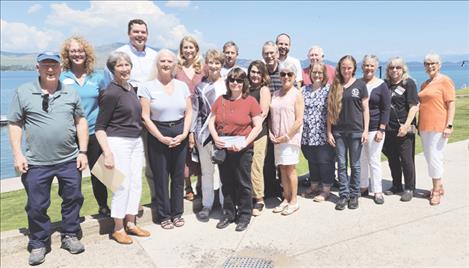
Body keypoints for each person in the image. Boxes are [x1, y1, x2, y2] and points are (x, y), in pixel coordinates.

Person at [8, 51, 87, 265]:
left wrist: (83, 152)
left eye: (54, 65)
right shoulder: (23, 92)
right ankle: (38, 243)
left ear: (61, 68)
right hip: (36, 162)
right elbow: (15, 123)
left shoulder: (70, 93)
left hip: (69, 159)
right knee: (36, 205)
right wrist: (17, 154)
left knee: (73, 199)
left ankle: (70, 235)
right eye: (45, 65)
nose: (50, 69)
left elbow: (80, 121)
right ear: (38, 68)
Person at [95, 51, 150, 244]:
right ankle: (118, 228)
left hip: (135, 141)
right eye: (119, 66)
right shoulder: (110, 93)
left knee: (136, 183)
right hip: (118, 142)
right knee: (122, 185)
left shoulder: (130, 89)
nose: (124, 69)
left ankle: (131, 223)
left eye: (127, 65)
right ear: (112, 70)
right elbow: (100, 127)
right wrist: (107, 153)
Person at [104, 18, 158, 210]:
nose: (139, 35)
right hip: (125, 118)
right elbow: (108, 88)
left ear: (147, 34)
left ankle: (153, 199)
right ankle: (119, 207)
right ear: (129, 34)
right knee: (118, 169)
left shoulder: (155, 55)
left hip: (151, 115)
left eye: (143, 32)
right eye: (136, 32)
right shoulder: (120, 55)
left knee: (151, 163)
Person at [139, 49, 192, 229]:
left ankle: (177, 213)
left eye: (169, 61)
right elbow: (145, 116)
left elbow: (189, 111)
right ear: (157, 64)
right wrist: (161, 137)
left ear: (174, 65)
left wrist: (184, 134)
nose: (166, 64)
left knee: (178, 177)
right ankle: (164, 215)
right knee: (161, 177)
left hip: (179, 132)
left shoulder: (182, 86)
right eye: (162, 61)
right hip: (157, 134)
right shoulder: (147, 87)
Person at [60, 36, 109, 216]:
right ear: (67, 54)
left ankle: (104, 206)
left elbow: (105, 104)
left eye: (80, 50)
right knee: (73, 178)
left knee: (101, 174)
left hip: (95, 132)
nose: (77, 54)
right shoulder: (61, 77)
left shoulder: (97, 77)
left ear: (86, 53)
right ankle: (73, 214)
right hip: (70, 135)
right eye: (73, 51)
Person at [208, 68, 262, 232]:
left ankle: (245, 215)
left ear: (244, 83)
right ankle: (229, 214)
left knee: (243, 183)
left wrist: (245, 143)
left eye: (239, 80)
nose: (235, 83)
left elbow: (258, 126)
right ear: (228, 82)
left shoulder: (250, 101)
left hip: (242, 148)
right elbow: (211, 121)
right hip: (224, 147)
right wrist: (215, 137)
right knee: (227, 182)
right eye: (232, 79)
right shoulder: (221, 100)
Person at [327, 55, 369, 211]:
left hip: (356, 131)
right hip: (339, 132)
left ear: (354, 68)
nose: (346, 70)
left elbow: (365, 110)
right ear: (340, 68)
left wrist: (365, 130)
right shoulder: (335, 85)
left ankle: (354, 195)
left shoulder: (360, 85)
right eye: (343, 67)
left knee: (355, 165)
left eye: (349, 67)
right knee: (342, 165)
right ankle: (343, 195)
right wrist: (329, 131)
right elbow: (330, 112)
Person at [192, 49, 226, 221]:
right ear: (206, 64)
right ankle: (207, 205)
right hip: (204, 134)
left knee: (223, 172)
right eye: (211, 62)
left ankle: (224, 204)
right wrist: (194, 133)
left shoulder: (227, 84)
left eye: (217, 63)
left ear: (222, 65)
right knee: (207, 172)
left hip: (223, 134)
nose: (213, 66)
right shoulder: (200, 87)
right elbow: (196, 111)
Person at [418, 53, 456, 206]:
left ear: (439, 65)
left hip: (439, 127)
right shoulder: (425, 84)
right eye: (427, 63)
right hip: (424, 126)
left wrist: (449, 125)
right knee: (429, 158)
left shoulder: (445, 81)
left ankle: (435, 191)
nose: (430, 66)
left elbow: (451, 104)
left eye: (433, 63)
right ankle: (439, 186)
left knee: (435, 158)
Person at [269, 62, 305, 215]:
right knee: (282, 169)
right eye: (282, 74)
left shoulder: (297, 94)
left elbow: (299, 120)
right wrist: (271, 132)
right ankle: (286, 197)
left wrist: (287, 136)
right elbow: (271, 116)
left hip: (290, 139)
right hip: (277, 138)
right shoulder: (275, 94)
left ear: (294, 76)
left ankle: (294, 200)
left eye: (289, 74)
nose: (285, 77)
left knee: (290, 168)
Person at [382, 57, 419, 202]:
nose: (395, 70)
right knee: (392, 159)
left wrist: (406, 125)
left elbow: (414, 106)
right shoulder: (385, 84)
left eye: (398, 67)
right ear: (388, 70)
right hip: (389, 128)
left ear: (403, 69)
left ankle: (409, 187)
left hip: (404, 128)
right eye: (392, 68)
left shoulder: (408, 83)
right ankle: (396, 184)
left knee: (406, 159)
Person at [301, 62, 335, 202]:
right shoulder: (303, 90)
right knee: (312, 160)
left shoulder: (328, 90)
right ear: (310, 74)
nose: (317, 75)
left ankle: (326, 189)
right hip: (307, 133)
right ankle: (314, 185)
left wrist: (329, 132)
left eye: (320, 72)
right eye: (314, 72)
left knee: (324, 161)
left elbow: (330, 113)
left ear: (324, 74)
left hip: (322, 132)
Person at [359, 55, 391, 205]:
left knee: (374, 160)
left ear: (376, 67)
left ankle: (377, 190)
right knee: (361, 160)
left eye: (372, 66)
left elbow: (385, 109)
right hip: (359, 129)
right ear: (362, 67)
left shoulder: (381, 85)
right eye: (366, 65)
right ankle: (363, 186)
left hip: (375, 129)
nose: (369, 68)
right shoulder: (358, 83)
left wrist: (381, 129)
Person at [175, 36, 204, 201]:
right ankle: (188, 187)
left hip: (200, 115)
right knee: (184, 153)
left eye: (191, 47)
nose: (188, 51)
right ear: (181, 50)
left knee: (200, 151)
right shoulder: (176, 70)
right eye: (185, 47)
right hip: (182, 115)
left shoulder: (203, 69)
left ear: (196, 49)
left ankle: (201, 183)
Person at [247, 60, 271, 216]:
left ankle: (259, 199)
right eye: (253, 72)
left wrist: (252, 130)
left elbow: (263, 113)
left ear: (263, 75)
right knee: (246, 167)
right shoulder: (246, 89)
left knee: (256, 166)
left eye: (258, 72)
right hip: (245, 134)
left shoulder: (263, 90)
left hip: (259, 134)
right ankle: (248, 196)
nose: (255, 75)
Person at [261, 41, 283, 198]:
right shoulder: (261, 74)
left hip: (281, 122)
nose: (269, 56)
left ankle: (284, 190)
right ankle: (269, 190)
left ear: (277, 54)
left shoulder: (284, 73)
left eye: (271, 53)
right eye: (266, 53)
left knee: (282, 159)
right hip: (264, 122)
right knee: (267, 159)